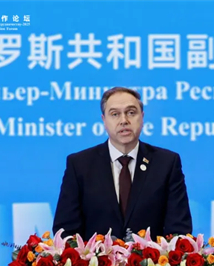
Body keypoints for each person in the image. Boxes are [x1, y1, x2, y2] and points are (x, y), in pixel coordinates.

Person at [52, 87, 192, 240]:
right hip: (96, 256)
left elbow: (179, 230)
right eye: (115, 114)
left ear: (142, 117)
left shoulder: (166, 163)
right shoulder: (80, 165)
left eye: (131, 112)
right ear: (104, 120)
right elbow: (66, 231)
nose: (124, 120)